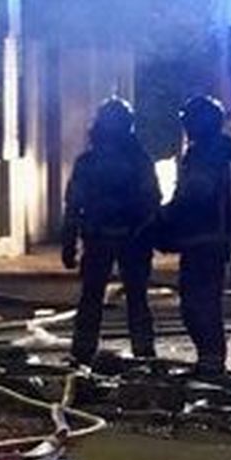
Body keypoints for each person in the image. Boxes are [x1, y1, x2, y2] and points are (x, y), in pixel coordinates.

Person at [60, 96, 160, 367]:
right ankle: (144, 352)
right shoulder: (139, 160)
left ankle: (83, 352)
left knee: (92, 297)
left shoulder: (88, 161)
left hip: (100, 237)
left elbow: (73, 205)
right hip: (132, 239)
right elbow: (152, 200)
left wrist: (69, 242)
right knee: (136, 298)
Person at [159, 94, 231, 377]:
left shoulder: (209, 156)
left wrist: (163, 218)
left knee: (199, 304)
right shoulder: (216, 152)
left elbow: (193, 197)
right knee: (201, 303)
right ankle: (209, 360)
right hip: (206, 240)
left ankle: (211, 363)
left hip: (204, 240)